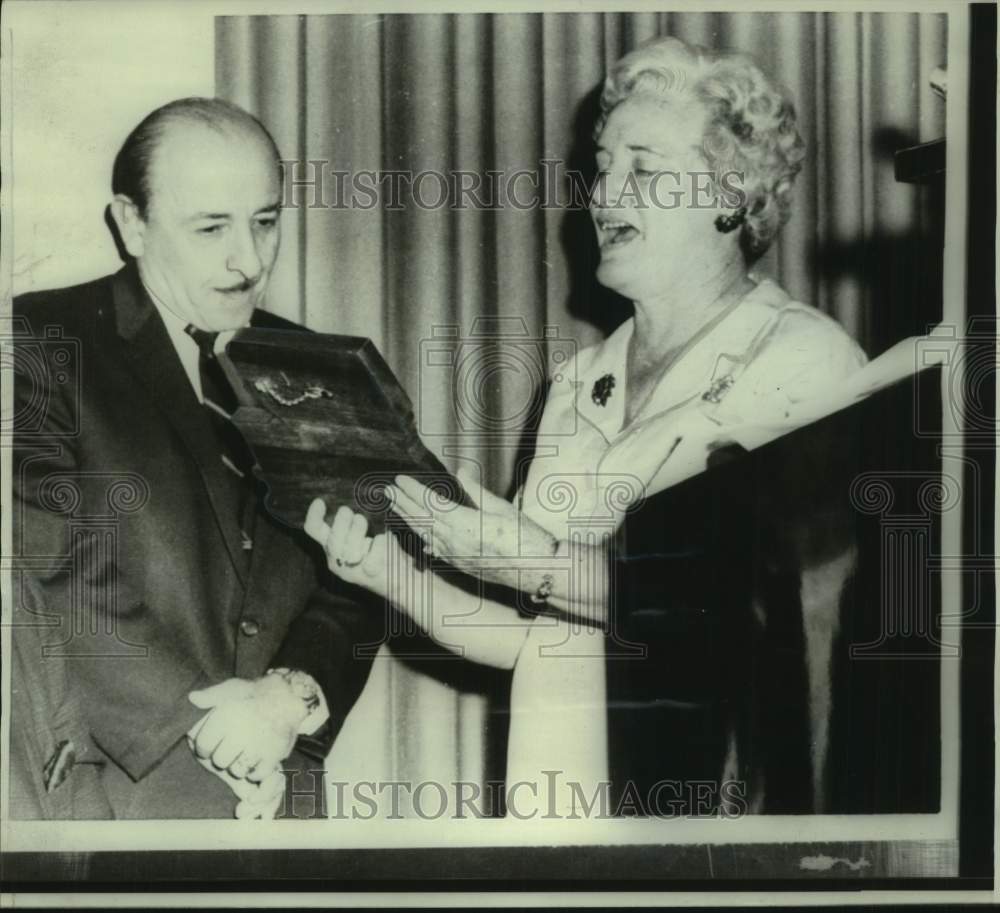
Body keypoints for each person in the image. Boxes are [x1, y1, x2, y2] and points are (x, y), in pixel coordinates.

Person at [305, 37, 868, 815]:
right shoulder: (576, 385)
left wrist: (534, 558)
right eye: (603, 167)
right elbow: (540, 635)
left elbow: (745, 614)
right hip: (562, 803)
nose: (604, 194)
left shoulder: (808, 365)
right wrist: (386, 572)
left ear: (731, 195)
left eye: (644, 168)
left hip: (717, 812)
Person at [11, 97, 381, 819]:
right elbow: (50, 557)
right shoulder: (38, 340)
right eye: (211, 227)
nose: (248, 261)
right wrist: (216, 731)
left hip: (280, 791)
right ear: (132, 223)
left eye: (265, 221)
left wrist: (288, 696)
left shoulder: (324, 370)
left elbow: (357, 580)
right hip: (113, 796)